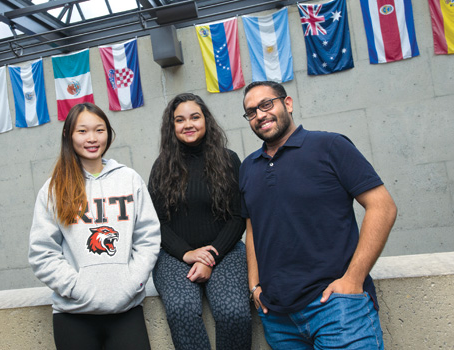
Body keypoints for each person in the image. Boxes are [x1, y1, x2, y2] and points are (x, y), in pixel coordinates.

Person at [240, 81, 397, 349]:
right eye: (251, 112)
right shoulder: (247, 167)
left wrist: (353, 280)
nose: (260, 115)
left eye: (267, 104)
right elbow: (253, 225)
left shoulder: (330, 145)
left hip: (337, 309)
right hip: (278, 319)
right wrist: (254, 284)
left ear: (287, 104)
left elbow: (382, 206)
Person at [28, 102, 160, 350]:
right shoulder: (54, 188)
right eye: (82, 131)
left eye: (99, 130)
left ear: (108, 133)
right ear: (68, 135)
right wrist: (75, 287)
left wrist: (133, 282)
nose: (92, 138)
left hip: (126, 311)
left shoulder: (128, 179)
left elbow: (148, 238)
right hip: (73, 315)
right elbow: (42, 252)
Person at [148, 93, 252, 350]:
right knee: (182, 310)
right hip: (174, 255)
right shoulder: (162, 166)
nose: (188, 124)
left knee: (233, 313)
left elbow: (239, 215)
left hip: (225, 251)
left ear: (206, 120)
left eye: (195, 117)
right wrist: (187, 254)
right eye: (180, 120)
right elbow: (156, 222)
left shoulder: (229, 160)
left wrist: (211, 255)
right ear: (172, 127)